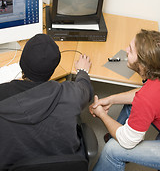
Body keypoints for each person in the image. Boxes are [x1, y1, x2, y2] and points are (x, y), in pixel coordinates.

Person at [0, 33, 93, 170]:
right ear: (52, 69)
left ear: (22, 63)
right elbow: (86, 90)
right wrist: (83, 71)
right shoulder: (71, 93)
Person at [89, 29, 160, 171]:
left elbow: (146, 98)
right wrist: (111, 99)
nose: (126, 50)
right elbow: (143, 95)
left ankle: (117, 146)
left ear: (144, 65)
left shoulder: (148, 97)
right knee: (130, 107)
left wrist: (102, 114)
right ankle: (117, 137)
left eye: (131, 50)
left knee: (112, 150)